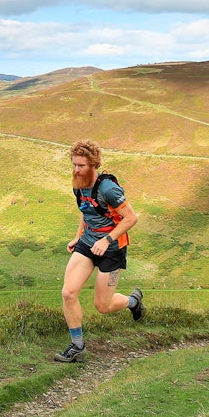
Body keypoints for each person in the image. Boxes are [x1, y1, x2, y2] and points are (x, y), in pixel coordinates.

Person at [55, 140, 144, 363]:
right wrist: (78, 236)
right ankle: (77, 345)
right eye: (74, 165)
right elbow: (86, 209)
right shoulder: (78, 183)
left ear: (93, 165)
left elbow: (131, 218)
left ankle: (134, 301)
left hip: (112, 249)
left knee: (103, 306)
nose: (76, 170)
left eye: (82, 166)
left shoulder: (108, 189)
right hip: (88, 242)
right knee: (68, 292)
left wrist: (107, 239)